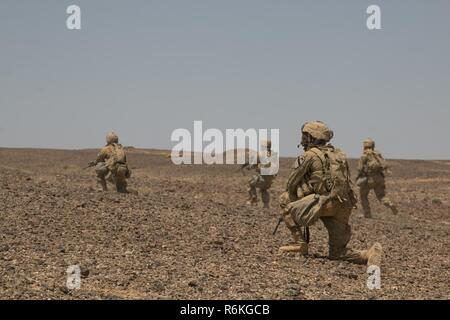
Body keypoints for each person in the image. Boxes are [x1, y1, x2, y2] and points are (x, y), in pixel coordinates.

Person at [278, 121, 382, 266]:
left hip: (322, 205)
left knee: (285, 198)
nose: (302, 140)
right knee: (337, 252)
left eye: (304, 136)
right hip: (343, 206)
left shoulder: (308, 155)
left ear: (310, 137)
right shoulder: (339, 155)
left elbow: (290, 185)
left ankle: (300, 244)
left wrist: (301, 195)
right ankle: (367, 254)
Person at [356, 138, 398, 218]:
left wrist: (358, 177)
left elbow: (359, 168)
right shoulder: (377, 154)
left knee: (363, 195)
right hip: (379, 178)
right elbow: (383, 165)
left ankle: (367, 214)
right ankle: (389, 203)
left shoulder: (364, 155)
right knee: (381, 196)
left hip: (369, 179)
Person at [242, 140, 276, 209]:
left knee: (250, 183)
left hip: (262, 178)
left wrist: (248, 167)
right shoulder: (273, 155)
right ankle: (266, 205)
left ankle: (253, 198)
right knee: (264, 189)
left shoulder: (260, 154)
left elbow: (253, 165)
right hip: (270, 179)